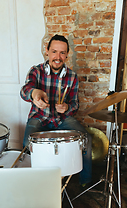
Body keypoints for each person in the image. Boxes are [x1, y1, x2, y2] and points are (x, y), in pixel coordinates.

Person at [20, 34, 92, 186]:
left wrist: (67, 108)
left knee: (86, 140)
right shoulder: (36, 71)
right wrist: (35, 94)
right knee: (27, 144)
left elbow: (75, 104)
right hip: (39, 117)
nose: (57, 57)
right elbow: (25, 90)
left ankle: (85, 183)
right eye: (54, 51)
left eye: (62, 52)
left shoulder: (72, 76)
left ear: (67, 54)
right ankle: (31, 184)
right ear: (47, 51)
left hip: (62, 119)